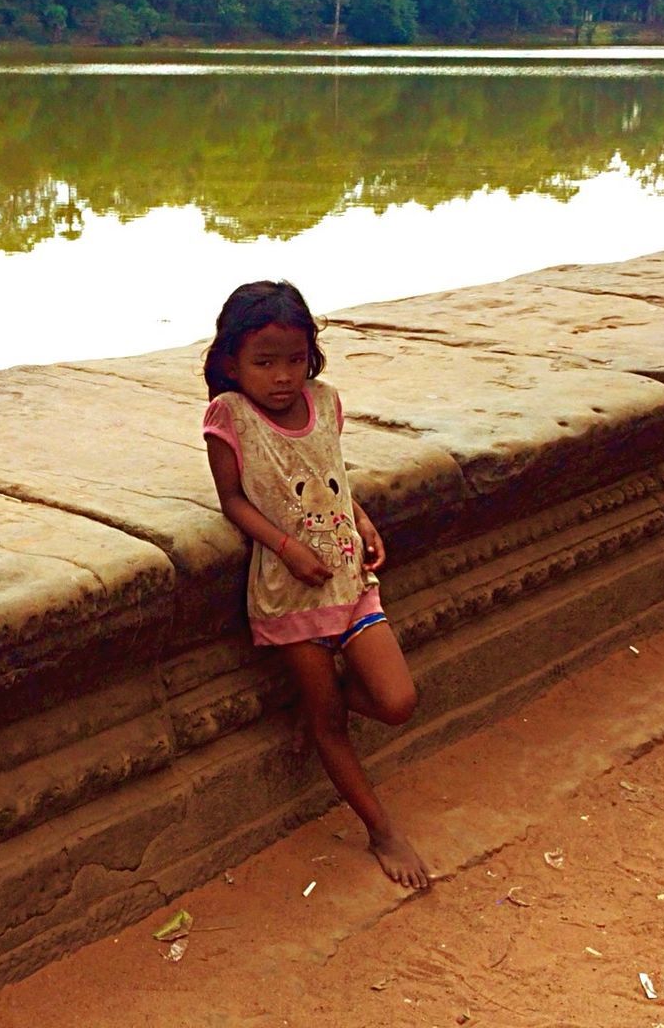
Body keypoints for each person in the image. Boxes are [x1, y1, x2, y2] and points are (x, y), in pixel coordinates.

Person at [202, 280, 429, 890]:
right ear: (231, 362)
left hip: (350, 581)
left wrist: (362, 520)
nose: (282, 377)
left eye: (294, 360)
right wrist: (287, 547)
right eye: (264, 362)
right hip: (290, 593)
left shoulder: (324, 401)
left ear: (312, 356)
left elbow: (331, 474)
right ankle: (381, 828)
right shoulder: (231, 418)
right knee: (330, 723)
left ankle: (321, 703)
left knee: (397, 701)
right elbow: (231, 501)